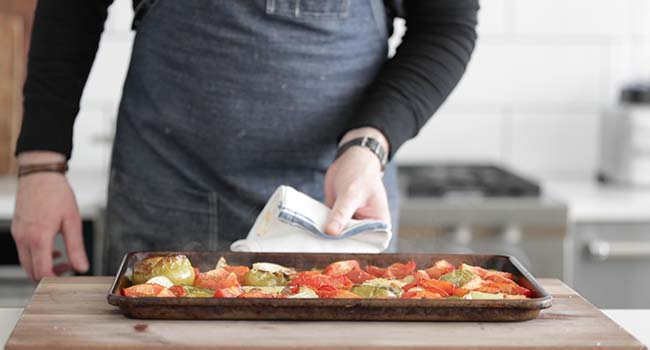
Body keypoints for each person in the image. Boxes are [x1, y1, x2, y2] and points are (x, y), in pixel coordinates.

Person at [11, 0, 479, 281]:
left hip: (335, 209)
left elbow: (445, 26)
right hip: (166, 196)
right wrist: (41, 163)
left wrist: (369, 144)